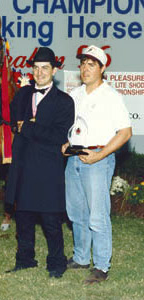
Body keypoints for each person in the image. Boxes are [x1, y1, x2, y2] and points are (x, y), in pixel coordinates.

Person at [62, 45, 132, 284]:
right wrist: (65, 144)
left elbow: (125, 132)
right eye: (83, 64)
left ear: (103, 69)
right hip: (74, 159)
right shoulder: (75, 95)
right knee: (76, 212)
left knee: (97, 215)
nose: (85, 69)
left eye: (91, 65)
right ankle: (81, 257)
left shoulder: (111, 96)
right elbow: (69, 128)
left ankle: (101, 265)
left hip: (97, 160)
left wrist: (100, 156)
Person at [5, 47, 75, 278]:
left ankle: (56, 264)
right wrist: (26, 127)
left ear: (54, 71)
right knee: (23, 217)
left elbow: (59, 136)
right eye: (35, 68)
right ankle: (25, 260)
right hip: (23, 166)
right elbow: (14, 124)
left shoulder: (65, 101)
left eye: (45, 68)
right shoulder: (23, 95)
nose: (40, 72)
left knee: (51, 220)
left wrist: (30, 127)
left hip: (48, 169)